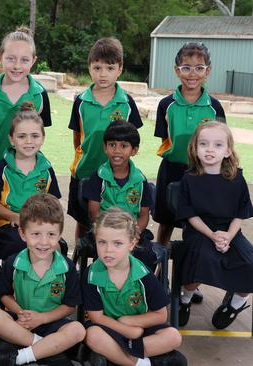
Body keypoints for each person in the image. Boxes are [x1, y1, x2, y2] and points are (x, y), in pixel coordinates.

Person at [0, 194, 85, 366]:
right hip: (22, 323)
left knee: (77, 330)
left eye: (51, 234)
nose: (44, 242)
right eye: (36, 234)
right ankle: (48, 350)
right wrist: (21, 313)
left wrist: (42, 318)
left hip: (53, 322)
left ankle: (20, 357)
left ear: (60, 234)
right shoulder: (13, 262)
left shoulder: (67, 267)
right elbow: (4, 295)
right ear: (22, 234)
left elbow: (69, 307)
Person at [83, 208, 186, 366]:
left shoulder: (143, 274)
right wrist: (128, 331)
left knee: (173, 336)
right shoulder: (91, 274)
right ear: (95, 240)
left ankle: (116, 358)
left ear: (131, 244)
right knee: (92, 335)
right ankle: (141, 363)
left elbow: (161, 315)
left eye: (117, 243)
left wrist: (128, 321)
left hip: (139, 328)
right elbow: (97, 317)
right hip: (107, 328)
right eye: (102, 242)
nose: (108, 250)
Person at [176, 121, 253, 329]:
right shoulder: (189, 180)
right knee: (201, 261)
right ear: (195, 148)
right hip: (200, 232)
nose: (210, 149)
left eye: (218, 145)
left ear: (228, 151)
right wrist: (213, 235)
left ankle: (235, 304)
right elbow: (190, 215)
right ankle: (184, 300)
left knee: (250, 264)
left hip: (230, 232)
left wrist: (227, 236)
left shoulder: (236, 179)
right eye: (204, 144)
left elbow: (240, 213)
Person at [68, 37, 142, 243]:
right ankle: (80, 267)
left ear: (120, 69)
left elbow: (131, 136)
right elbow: (77, 137)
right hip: (84, 173)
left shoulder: (127, 103)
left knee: (115, 224)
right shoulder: (81, 101)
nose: (103, 74)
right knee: (83, 223)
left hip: (116, 175)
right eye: (97, 67)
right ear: (89, 68)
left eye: (109, 68)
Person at [153, 43, 225, 246]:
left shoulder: (214, 107)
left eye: (199, 68)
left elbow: (221, 144)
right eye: (186, 67)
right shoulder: (166, 105)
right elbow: (165, 140)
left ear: (207, 70)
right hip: (171, 170)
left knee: (194, 226)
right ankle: (160, 267)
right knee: (166, 222)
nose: (192, 73)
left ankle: (189, 273)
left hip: (202, 173)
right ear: (177, 70)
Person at [0, 104, 61, 271]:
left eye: (35, 136)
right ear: (11, 139)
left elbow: (54, 203)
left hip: (40, 225)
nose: (29, 142)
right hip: (8, 226)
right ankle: (11, 284)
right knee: (20, 243)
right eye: (22, 136)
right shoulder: (1, 168)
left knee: (55, 248)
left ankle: (44, 287)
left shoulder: (46, 169)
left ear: (43, 138)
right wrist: (14, 217)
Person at [0, 26, 52, 177]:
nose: (17, 66)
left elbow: (39, 135)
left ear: (33, 61)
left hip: (25, 173)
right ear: (0, 57)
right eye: (11, 59)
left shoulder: (40, 95)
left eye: (24, 60)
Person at [82, 120, 158, 271]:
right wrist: (110, 233)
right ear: (105, 147)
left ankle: (137, 291)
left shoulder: (140, 181)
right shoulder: (98, 177)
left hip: (131, 232)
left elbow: (143, 215)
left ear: (134, 150)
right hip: (105, 231)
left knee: (146, 255)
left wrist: (135, 232)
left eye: (123, 146)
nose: (117, 151)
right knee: (107, 255)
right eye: (112, 145)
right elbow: (94, 213)